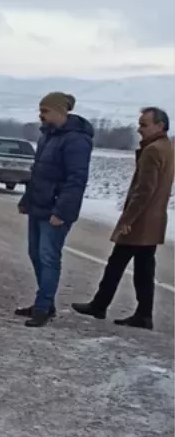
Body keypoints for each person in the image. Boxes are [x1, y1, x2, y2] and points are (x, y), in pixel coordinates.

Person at [72, 106, 174, 331]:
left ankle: (102, 306)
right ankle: (141, 313)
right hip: (154, 217)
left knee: (119, 263)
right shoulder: (167, 147)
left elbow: (144, 190)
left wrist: (127, 220)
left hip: (141, 220)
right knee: (142, 267)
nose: (139, 129)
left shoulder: (153, 150)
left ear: (160, 126)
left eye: (144, 125)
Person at [15, 92, 94, 327]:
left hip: (56, 209)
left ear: (61, 111)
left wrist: (62, 212)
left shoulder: (77, 140)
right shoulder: (47, 136)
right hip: (38, 205)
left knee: (49, 257)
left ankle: (43, 307)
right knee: (35, 254)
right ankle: (44, 302)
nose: (41, 115)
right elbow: (38, 172)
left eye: (45, 111)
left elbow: (76, 179)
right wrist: (27, 199)